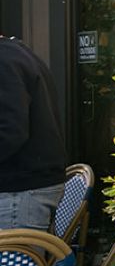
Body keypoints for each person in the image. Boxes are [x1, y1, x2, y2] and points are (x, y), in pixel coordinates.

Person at [0, 34, 68, 230]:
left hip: (18, 192)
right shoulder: (16, 53)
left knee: (19, 259)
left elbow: (10, 132)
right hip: (25, 190)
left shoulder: (4, 60)